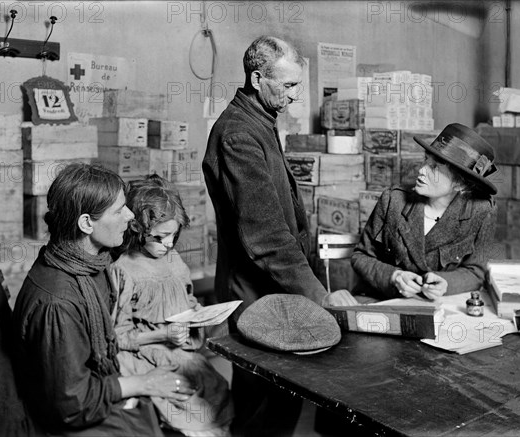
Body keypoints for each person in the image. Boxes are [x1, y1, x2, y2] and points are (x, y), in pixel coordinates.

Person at [202, 36, 343, 436]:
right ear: (257, 77)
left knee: (283, 399)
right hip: (255, 293)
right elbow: (264, 233)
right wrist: (318, 294)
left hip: (275, 288)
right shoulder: (238, 135)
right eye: (289, 86)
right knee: (261, 406)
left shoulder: (260, 121)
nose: (296, 96)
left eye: (299, 84)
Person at [12, 163, 196, 436]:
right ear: (86, 223)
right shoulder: (58, 303)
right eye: (119, 210)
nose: (130, 215)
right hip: (66, 415)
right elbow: (73, 403)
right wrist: (141, 384)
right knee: (156, 419)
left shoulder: (87, 261)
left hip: (95, 383)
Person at [109, 174, 234, 436]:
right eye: (159, 237)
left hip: (179, 350)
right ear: (138, 229)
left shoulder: (173, 259)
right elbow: (118, 336)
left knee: (216, 387)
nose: (167, 244)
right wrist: (164, 333)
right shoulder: (123, 270)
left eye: (173, 236)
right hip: (146, 355)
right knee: (185, 398)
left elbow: (186, 299)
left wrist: (200, 315)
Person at [352, 123, 499, 300]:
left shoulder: (481, 211)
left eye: (435, 167)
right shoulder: (393, 201)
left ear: (460, 184)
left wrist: (446, 283)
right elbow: (360, 257)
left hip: (442, 307)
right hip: (384, 299)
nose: (421, 171)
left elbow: (476, 272)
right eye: (426, 161)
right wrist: (394, 277)